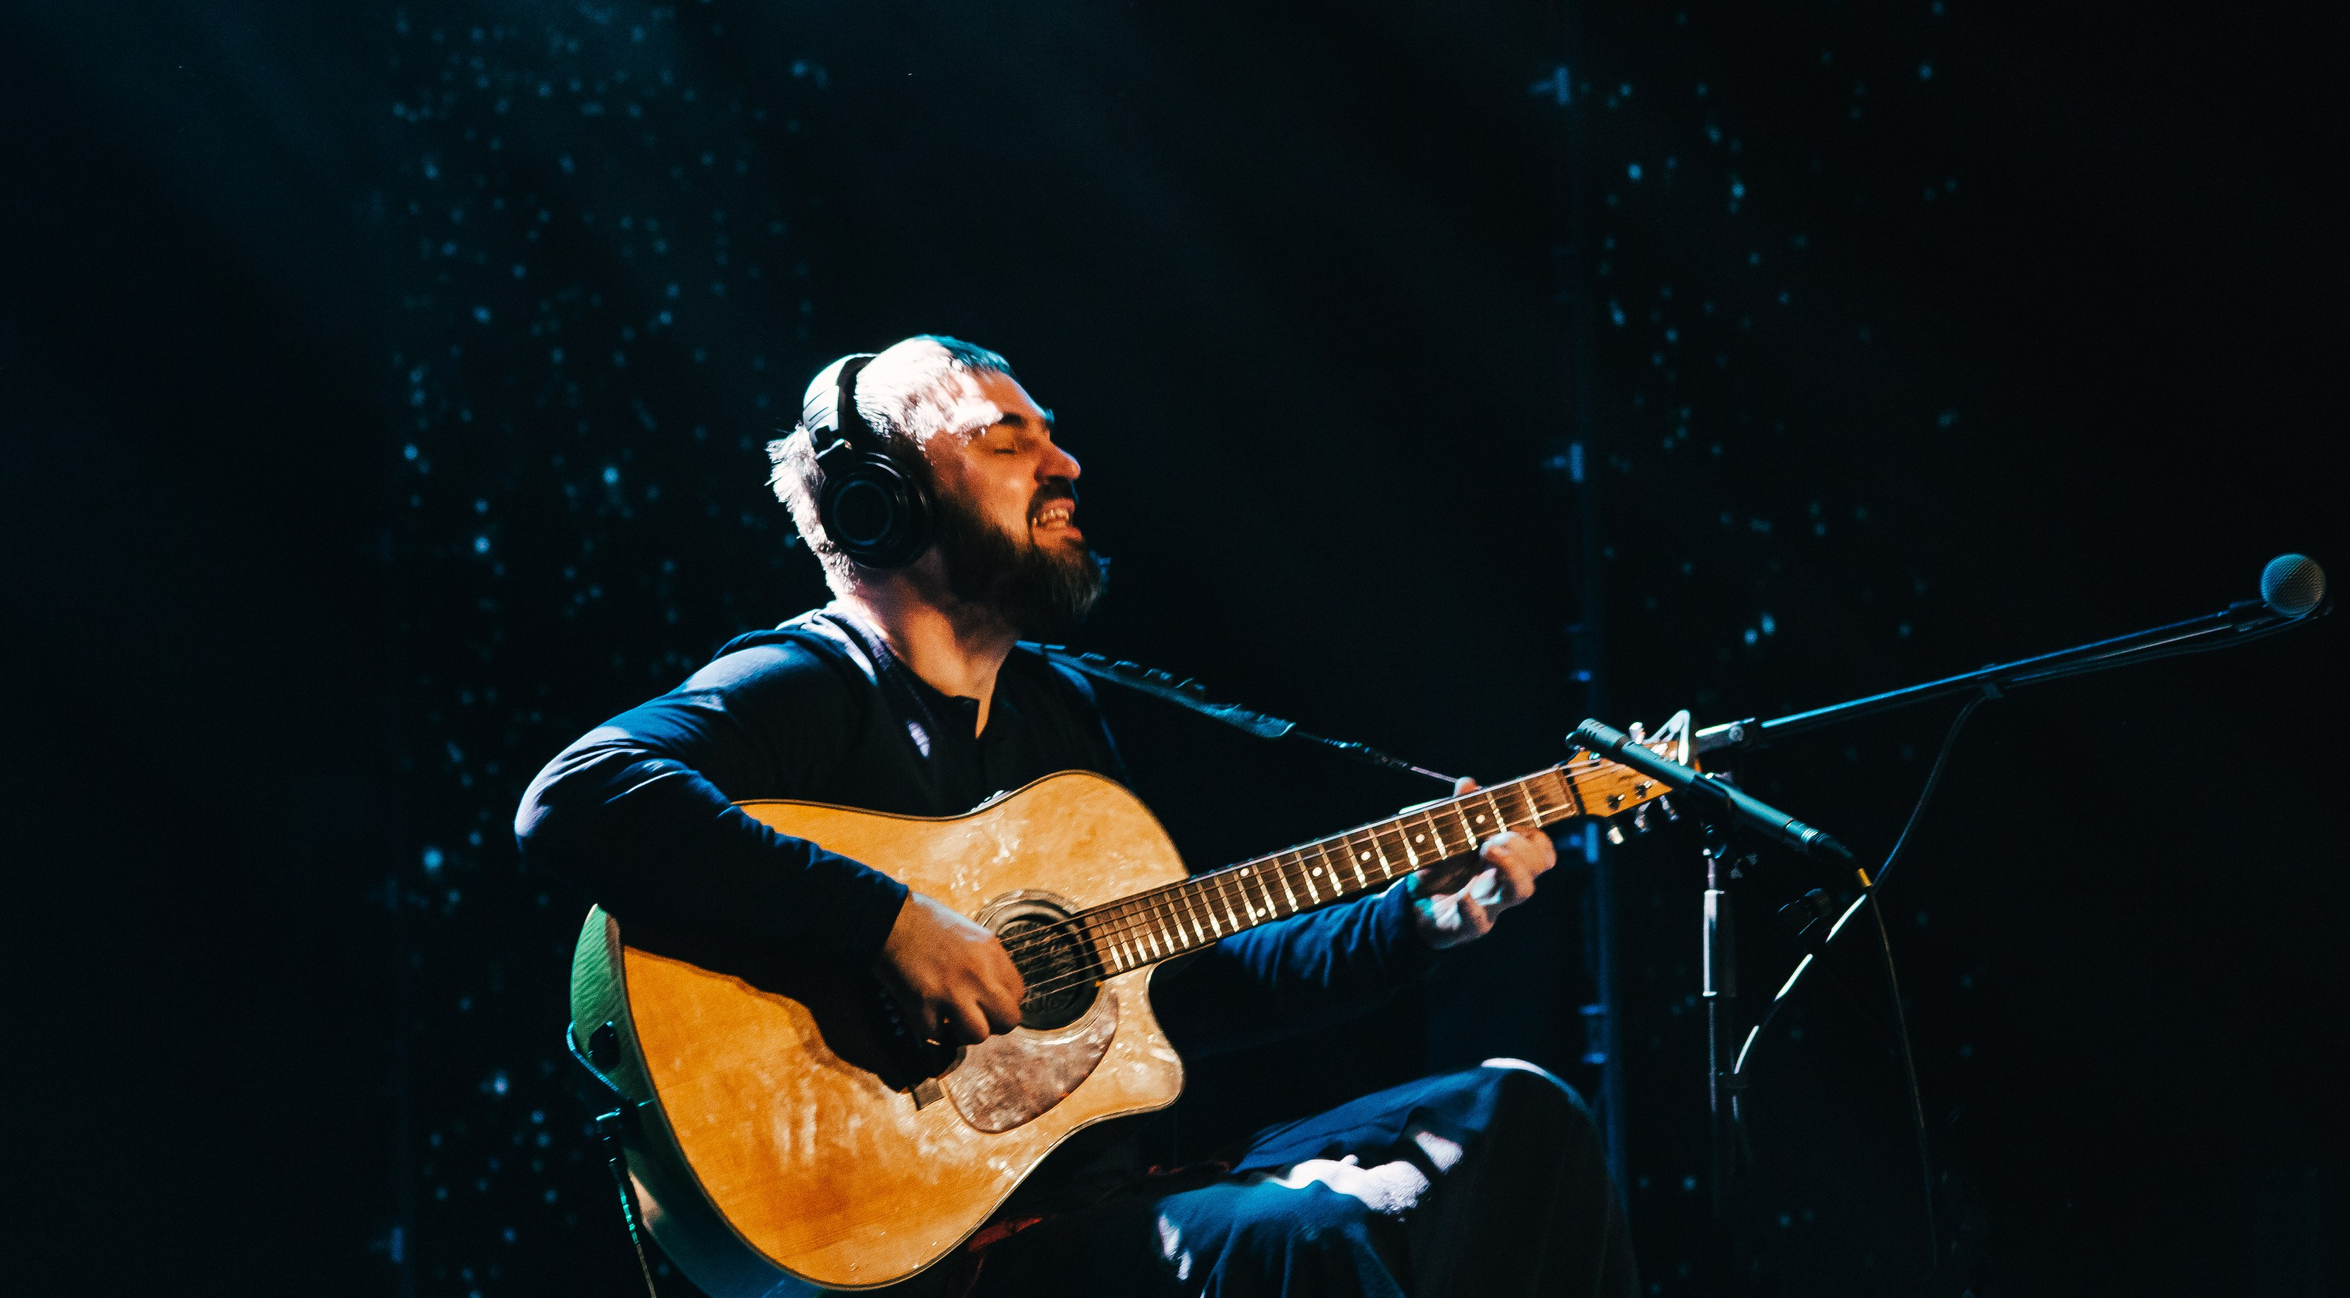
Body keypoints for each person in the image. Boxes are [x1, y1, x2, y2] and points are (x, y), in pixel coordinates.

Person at [516, 335, 1638, 1297]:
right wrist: (891, 926)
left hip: (1105, 1214)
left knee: (1519, 1119)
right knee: (1311, 1239)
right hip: (939, 1258)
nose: (1065, 464)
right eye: (1008, 439)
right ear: (884, 497)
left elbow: (1167, 994)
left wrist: (1410, 924)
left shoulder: (1059, 714)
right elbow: (577, 798)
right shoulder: (802, 688)